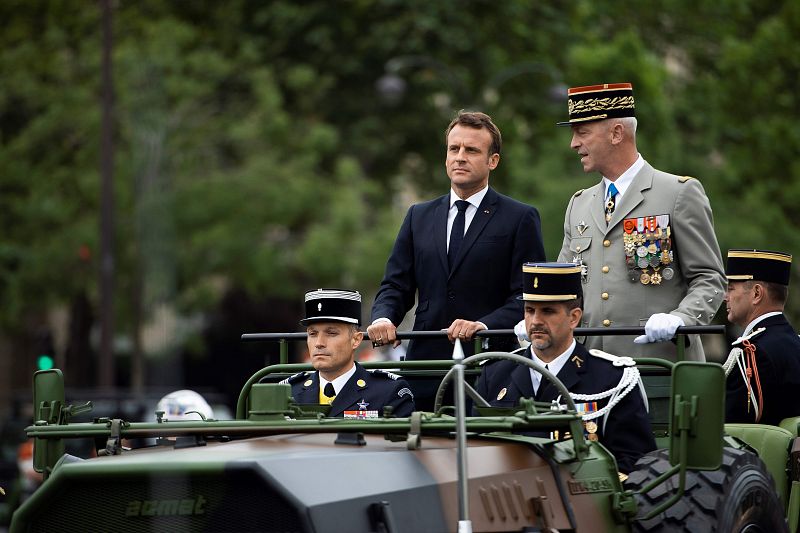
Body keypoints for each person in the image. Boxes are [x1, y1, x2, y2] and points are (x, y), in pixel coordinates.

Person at [516, 83, 725, 361]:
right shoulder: (580, 203)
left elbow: (710, 278)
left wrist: (682, 318)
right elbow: (564, 288)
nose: (574, 143)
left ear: (616, 133)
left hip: (657, 364)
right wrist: (538, 321)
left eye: (583, 132)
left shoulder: (677, 193)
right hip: (589, 369)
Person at [369, 110, 546, 361]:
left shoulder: (519, 217)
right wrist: (384, 318)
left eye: (471, 150)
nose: (460, 158)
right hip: (427, 362)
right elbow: (396, 285)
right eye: (454, 149)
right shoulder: (418, 216)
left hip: (490, 362)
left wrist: (484, 326)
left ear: (492, 160)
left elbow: (528, 295)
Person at [477, 262, 655, 474]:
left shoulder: (613, 379)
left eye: (548, 311)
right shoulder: (496, 374)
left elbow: (635, 464)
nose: (535, 321)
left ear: (574, 317)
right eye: (529, 310)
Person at [282, 289, 415, 418]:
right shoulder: (287, 393)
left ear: (356, 340)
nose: (319, 343)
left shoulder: (388, 392)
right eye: (312, 334)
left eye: (331, 333)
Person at [723, 250, 800, 426]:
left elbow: (730, 430)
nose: (725, 297)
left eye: (730, 289)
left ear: (757, 293)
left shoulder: (750, 354)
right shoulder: (796, 344)